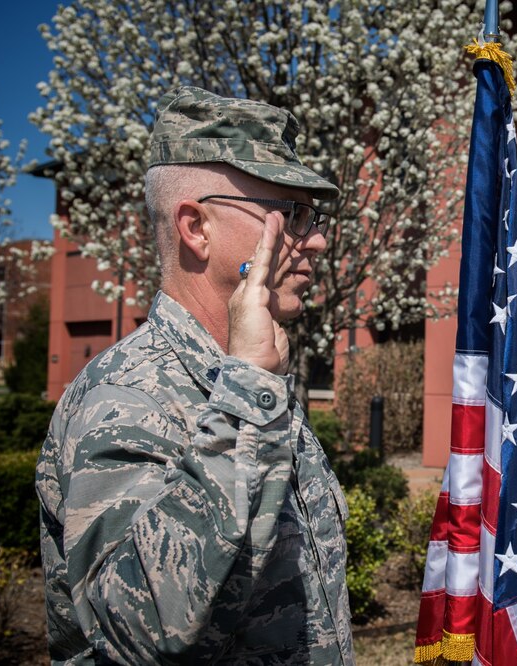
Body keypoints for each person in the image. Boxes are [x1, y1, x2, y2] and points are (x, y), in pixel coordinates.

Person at [36, 86, 355, 664]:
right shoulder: (127, 395)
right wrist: (245, 394)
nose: (316, 240)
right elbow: (141, 632)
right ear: (196, 227)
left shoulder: (242, 379)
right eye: (290, 213)